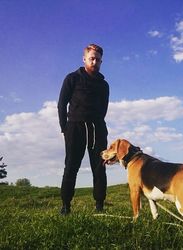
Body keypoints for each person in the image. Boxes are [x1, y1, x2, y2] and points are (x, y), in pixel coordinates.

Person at [57, 44, 109, 215]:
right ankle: (66, 206)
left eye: (98, 59)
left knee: (99, 166)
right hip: (75, 128)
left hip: (97, 128)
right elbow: (62, 104)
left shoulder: (103, 85)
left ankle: (99, 205)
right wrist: (64, 127)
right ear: (84, 59)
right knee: (71, 166)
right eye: (92, 58)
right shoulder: (72, 78)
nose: (95, 62)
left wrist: (98, 124)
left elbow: (104, 108)